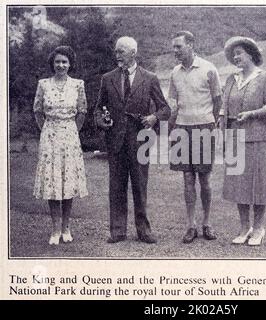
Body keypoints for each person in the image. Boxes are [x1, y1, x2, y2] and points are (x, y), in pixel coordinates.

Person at [94, 36, 170, 244]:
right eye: (116, 51)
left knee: (140, 185)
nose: (117, 55)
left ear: (133, 53)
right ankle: (117, 231)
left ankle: (143, 231)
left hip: (140, 140)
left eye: (121, 52)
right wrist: (103, 121)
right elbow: (99, 109)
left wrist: (154, 117)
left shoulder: (150, 78)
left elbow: (165, 108)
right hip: (115, 140)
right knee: (116, 186)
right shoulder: (108, 78)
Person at [219, 36, 266, 246]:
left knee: (258, 184)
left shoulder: (265, 77)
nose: (236, 58)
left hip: (257, 138)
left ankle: (259, 228)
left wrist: (252, 114)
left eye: (239, 54)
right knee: (238, 185)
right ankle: (245, 228)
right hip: (235, 137)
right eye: (234, 55)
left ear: (251, 54)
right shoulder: (231, 79)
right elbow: (223, 107)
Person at [168, 31, 222, 243]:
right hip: (182, 128)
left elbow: (218, 101)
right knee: (187, 178)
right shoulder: (174, 72)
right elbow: (173, 102)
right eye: (173, 47)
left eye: (178, 47)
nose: (175, 51)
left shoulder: (209, 68)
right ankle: (190, 225)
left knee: (205, 179)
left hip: (204, 127)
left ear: (190, 45)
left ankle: (207, 223)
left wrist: (209, 122)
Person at [33, 45, 88, 245]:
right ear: (52, 63)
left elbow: (82, 111)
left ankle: (66, 227)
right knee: (52, 182)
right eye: (57, 61)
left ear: (70, 64)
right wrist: (47, 129)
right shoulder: (44, 84)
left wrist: (73, 130)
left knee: (67, 182)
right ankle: (55, 229)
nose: (61, 65)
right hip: (49, 136)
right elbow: (38, 110)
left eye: (64, 62)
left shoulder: (78, 85)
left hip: (70, 136)